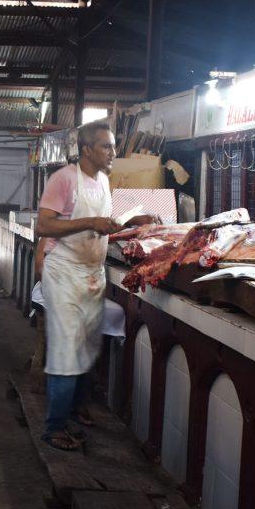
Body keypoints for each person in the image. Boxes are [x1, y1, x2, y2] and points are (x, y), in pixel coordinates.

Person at [35, 121, 155, 451]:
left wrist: (130, 222)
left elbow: (103, 227)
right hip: (64, 273)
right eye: (106, 146)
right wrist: (90, 222)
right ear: (87, 149)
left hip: (91, 273)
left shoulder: (102, 180)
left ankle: (72, 412)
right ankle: (54, 427)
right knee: (66, 351)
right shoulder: (63, 179)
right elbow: (44, 225)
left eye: (113, 146)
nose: (113, 153)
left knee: (86, 347)